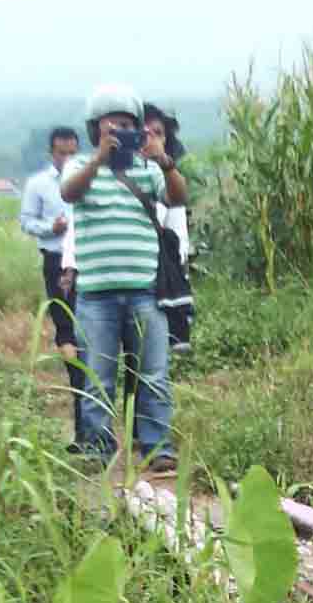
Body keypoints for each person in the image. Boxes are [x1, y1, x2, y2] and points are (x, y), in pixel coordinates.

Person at [60, 84, 187, 470]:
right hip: (95, 295)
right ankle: (98, 448)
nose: (121, 131)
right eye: (112, 125)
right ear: (95, 128)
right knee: (97, 377)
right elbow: (69, 193)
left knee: (153, 375)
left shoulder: (148, 170)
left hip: (145, 291)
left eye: (129, 125)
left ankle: (157, 447)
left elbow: (178, 197)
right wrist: (99, 159)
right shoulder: (79, 166)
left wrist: (164, 160)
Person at [20, 127, 86, 443]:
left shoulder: (90, 178)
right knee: (67, 332)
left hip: (89, 261)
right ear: (52, 153)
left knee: (92, 335)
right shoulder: (38, 184)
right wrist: (51, 227)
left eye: (73, 152)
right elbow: (26, 221)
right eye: (62, 152)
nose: (68, 158)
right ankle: (82, 419)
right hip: (57, 262)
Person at [142, 104, 195, 353]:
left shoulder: (171, 180)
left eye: (158, 133)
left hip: (159, 275)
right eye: (144, 133)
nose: (151, 139)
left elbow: (178, 239)